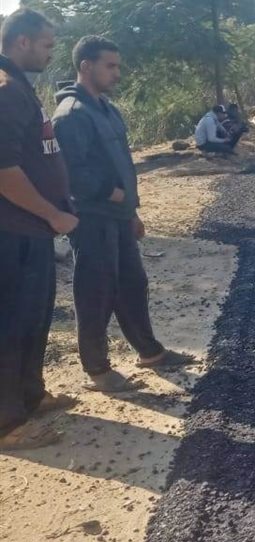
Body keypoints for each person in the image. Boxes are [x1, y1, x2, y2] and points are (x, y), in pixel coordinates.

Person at [53, 36, 189, 392]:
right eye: (110, 66)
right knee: (96, 291)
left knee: (132, 283)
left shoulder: (107, 109)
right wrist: (111, 193)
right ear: (86, 66)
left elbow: (122, 164)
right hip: (92, 217)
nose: (117, 73)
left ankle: (150, 352)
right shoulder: (71, 113)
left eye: (118, 66)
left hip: (118, 216)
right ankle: (98, 371)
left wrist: (131, 212)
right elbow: (71, 172)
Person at [0, 9, 79, 450]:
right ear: (23, 42)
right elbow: (4, 171)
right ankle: (7, 423)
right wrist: (52, 213)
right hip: (12, 233)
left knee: (33, 318)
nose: (51, 53)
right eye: (47, 45)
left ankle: (30, 395)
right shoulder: (6, 91)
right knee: (10, 324)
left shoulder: (19, 87)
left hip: (31, 232)